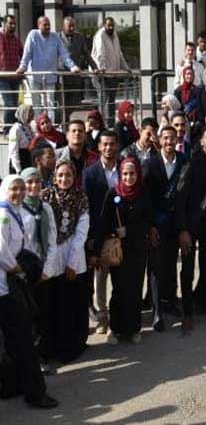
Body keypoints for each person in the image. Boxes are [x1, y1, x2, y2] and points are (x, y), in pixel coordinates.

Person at [0, 176, 59, 409]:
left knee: (14, 341)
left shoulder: (11, 212)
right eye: (14, 188)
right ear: (5, 190)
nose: (19, 193)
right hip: (5, 289)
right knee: (22, 340)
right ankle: (35, 393)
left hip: (7, 286)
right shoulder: (4, 216)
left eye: (22, 188)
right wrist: (16, 268)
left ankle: (14, 384)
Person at [175, 126, 206, 330]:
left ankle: (201, 298)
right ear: (202, 141)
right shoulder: (191, 163)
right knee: (187, 270)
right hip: (190, 225)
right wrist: (183, 230)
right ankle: (187, 311)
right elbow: (180, 198)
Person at [96, 157, 152, 345]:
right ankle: (116, 328)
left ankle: (134, 329)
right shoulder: (113, 194)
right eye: (125, 174)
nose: (129, 177)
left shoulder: (144, 194)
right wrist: (112, 233)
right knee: (119, 289)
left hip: (137, 250)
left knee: (135, 289)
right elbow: (104, 221)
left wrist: (131, 231)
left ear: (138, 173)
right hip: (118, 250)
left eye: (132, 173)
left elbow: (148, 222)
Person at [40, 161, 91, 362]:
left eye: (68, 175)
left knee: (71, 304)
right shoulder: (45, 196)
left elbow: (81, 232)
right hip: (51, 259)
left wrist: (71, 262)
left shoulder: (81, 197)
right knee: (51, 305)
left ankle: (71, 347)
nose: (64, 179)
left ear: (74, 176)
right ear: (54, 176)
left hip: (73, 257)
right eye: (60, 175)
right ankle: (50, 348)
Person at [143, 126, 188, 329]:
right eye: (166, 138)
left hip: (176, 224)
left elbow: (187, 196)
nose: (169, 142)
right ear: (160, 140)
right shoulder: (150, 164)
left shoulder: (184, 161)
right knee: (155, 268)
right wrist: (151, 225)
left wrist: (183, 227)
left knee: (170, 264)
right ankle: (156, 310)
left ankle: (170, 301)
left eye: (173, 139)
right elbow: (146, 197)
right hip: (157, 224)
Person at [19, 168, 57, 375]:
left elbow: (52, 240)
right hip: (24, 271)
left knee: (42, 314)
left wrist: (48, 268)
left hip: (43, 269)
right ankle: (28, 358)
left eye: (37, 182)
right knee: (26, 317)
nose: (34, 186)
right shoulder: (17, 210)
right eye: (29, 182)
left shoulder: (46, 208)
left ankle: (42, 356)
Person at [82, 130, 120, 335]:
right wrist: (91, 239)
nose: (108, 148)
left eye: (112, 144)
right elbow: (87, 207)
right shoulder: (90, 173)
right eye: (104, 144)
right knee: (101, 279)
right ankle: (103, 317)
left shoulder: (125, 169)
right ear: (99, 147)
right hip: (98, 234)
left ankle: (119, 316)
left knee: (120, 278)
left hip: (121, 233)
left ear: (117, 146)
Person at [16, 16, 80, 121]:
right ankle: (39, 125)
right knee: (36, 102)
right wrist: (22, 66)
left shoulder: (55, 37)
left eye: (49, 25)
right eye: (45, 25)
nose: (48, 27)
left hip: (50, 75)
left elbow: (64, 54)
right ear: (39, 25)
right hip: (35, 75)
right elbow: (27, 53)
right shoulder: (33, 35)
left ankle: (51, 125)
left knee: (51, 103)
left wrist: (72, 67)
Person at [90, 16, 130, 122]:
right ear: (104, 25)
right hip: (102, 74)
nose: (111, 27)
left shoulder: (115, 35)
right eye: (109, 25)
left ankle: (110, 122)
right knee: (104, 99)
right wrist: (101, 69)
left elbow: (119, 53)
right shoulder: (100, 35)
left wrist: (126, 67)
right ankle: (103, 122)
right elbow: (100, 53)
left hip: (113, 74)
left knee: (111, 100)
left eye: (112, 25)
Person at [0, 14, 24, 133]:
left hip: (15, 77)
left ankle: (14, 130)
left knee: (15, 105)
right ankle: (7, 130)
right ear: (4, 24)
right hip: (3, 77)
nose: (13, 26)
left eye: (14, 24)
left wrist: (23, 69)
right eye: (10, 23)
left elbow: (23, 54)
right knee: (10, 104)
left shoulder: (16, 39)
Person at [8, 104, 34, 174]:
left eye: (32, 111)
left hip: (28, 158)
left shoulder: (29, 127)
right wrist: (18, 169)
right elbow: (13, 151)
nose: (32, 114)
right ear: (23, 113)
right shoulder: (15, 129)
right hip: (20, 159)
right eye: (30, 112)